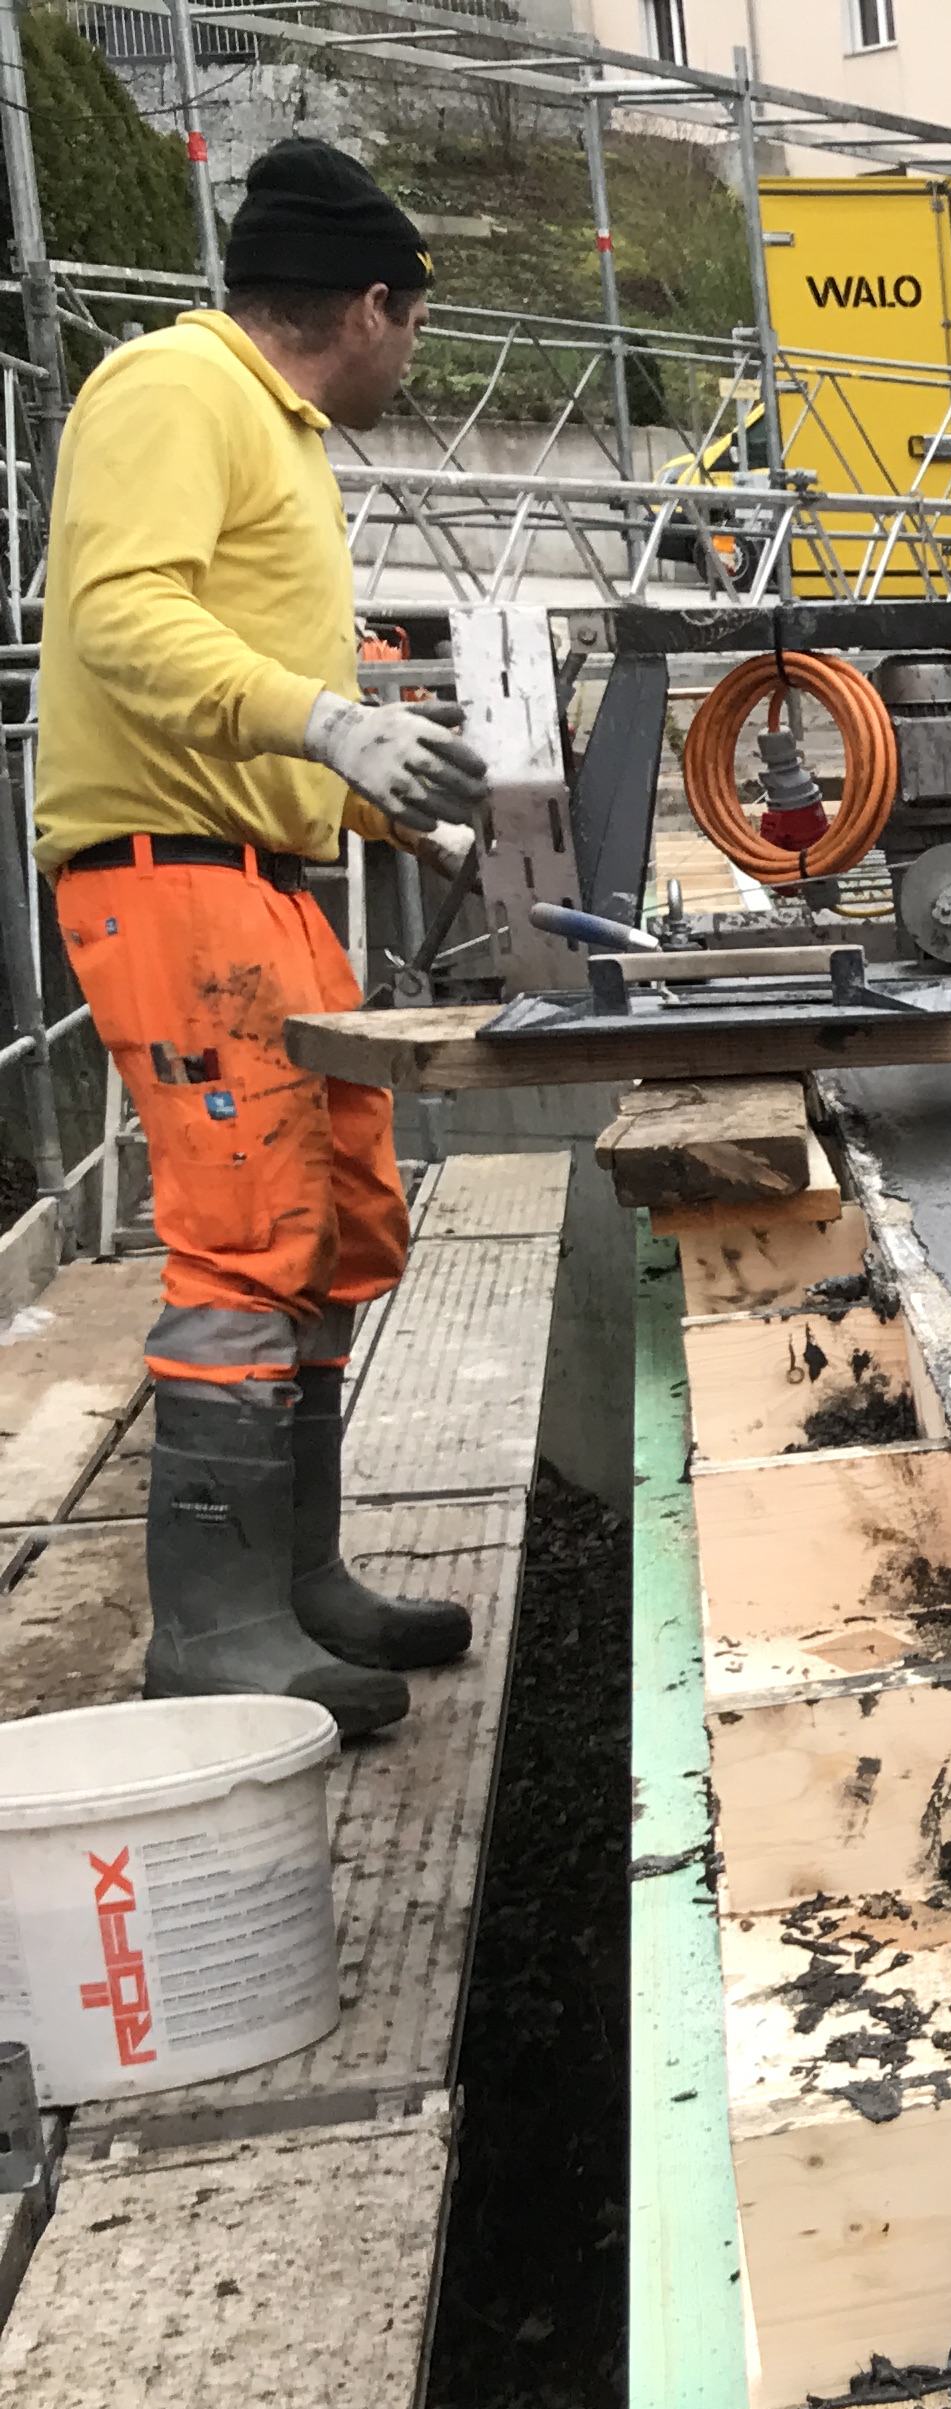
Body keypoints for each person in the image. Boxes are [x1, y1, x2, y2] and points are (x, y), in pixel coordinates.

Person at [36, 138, 488, 1736]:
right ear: (369, 304)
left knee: (336, 1216)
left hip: (262, 877)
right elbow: (121, 619)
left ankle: (299, 1583)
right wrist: (325, 719)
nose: (409, 354)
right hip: (171, 878)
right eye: (414, 323)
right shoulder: (177, 387)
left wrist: (387, 800)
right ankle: (213, 1626)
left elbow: (245, 688)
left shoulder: (271, 430)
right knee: (242, 1226)